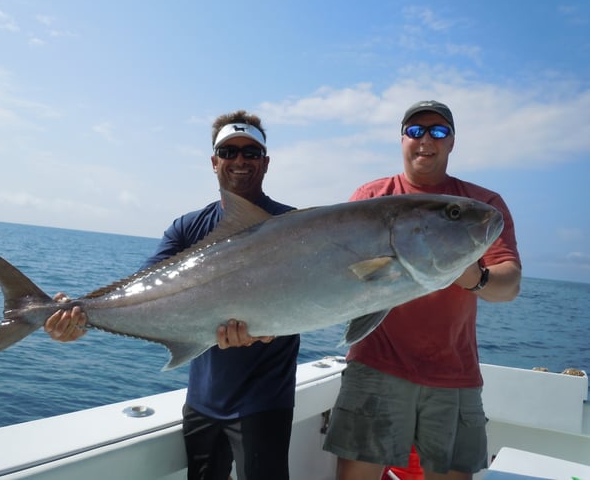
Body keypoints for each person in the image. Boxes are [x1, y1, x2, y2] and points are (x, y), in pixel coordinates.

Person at [44, 110, 300, 480]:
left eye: (251, 152)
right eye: (229, 152)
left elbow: (309, 295)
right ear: (214, 162)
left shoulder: (294, 227)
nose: (240, 161)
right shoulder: (187, 227)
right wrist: (79, 318)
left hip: (264, 402)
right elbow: (140, 293)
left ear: (266, 162)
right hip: (202, 402)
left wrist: (273, 325)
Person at [322, 100, 522, 480]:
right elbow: (334, 271)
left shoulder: (481, 207)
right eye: (415, 131)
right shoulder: (371, 197)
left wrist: (471, 277)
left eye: (438, 131)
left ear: (451, 142)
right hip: (376, 363)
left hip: (453, 373)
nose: (425, 139)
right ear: (402, 140)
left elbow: (509, 284)